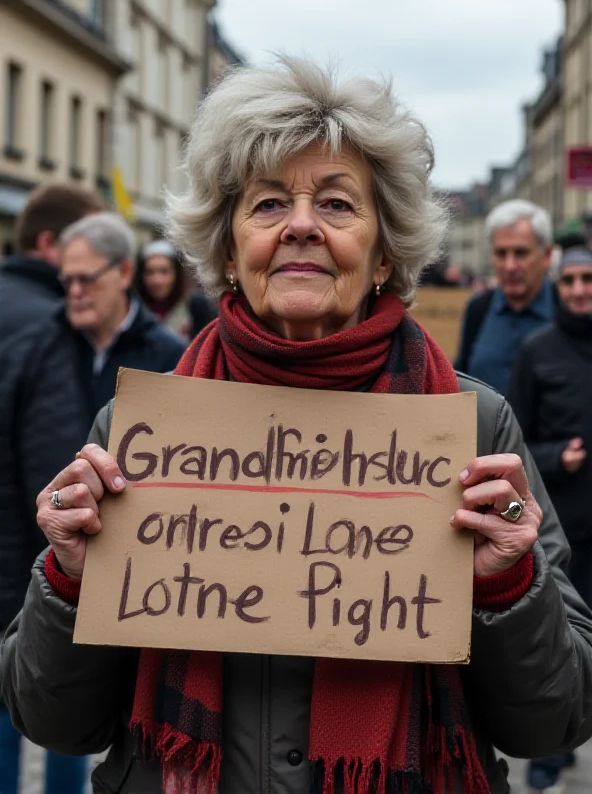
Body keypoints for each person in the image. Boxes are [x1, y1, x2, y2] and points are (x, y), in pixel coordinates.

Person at [2, 57, 592, 794]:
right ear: (227, 247)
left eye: (339, 206)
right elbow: (52, 723)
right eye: (270, 204)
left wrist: (508, 588)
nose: (303, 226)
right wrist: (69, 579)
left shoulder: (474, 428)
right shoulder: (136, 431)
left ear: (384, 253)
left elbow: (554, 723)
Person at [0, 183, 103, 794]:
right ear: (50, 245)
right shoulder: (50, 326)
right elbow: (58, 479)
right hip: (22, 569)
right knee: (51, 714)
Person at [508, 241, 592, 793]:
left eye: (589, 280)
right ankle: (547, 763)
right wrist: (554, 457)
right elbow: (512, 449)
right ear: (555, 286)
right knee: (564, 650)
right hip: (563, 535)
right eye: (570, 281)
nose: (580, 290)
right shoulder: (537, 351)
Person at [58, 213, 187, 430]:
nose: (75, 291)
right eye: (67, 280)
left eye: (86, 279)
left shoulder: (169, 354)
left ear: (125, 272)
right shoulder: (51, 341)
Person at [455, 200, 555, 395]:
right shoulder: (478, 309)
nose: (510, 266)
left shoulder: (565, 308)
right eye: (501, 253)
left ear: (547, 255)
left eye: (521, 253)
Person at [135, 239, 191, 337]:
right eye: (150, 272)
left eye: (164, 271)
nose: (157, 281)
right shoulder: (132, 313)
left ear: (176, 274)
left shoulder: (191, 312)